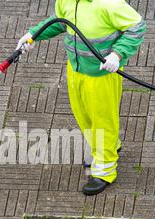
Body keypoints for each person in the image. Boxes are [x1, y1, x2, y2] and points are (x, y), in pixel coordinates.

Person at [16, 0, 146, 196]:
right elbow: (61, 22)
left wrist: (117, 55)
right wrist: (34, 35)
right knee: (83, 115)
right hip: (76, 69)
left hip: (102, 75)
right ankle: (104, 148)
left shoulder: (109, 4)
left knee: (103, 121)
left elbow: (136, 26)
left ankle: (104, 170)